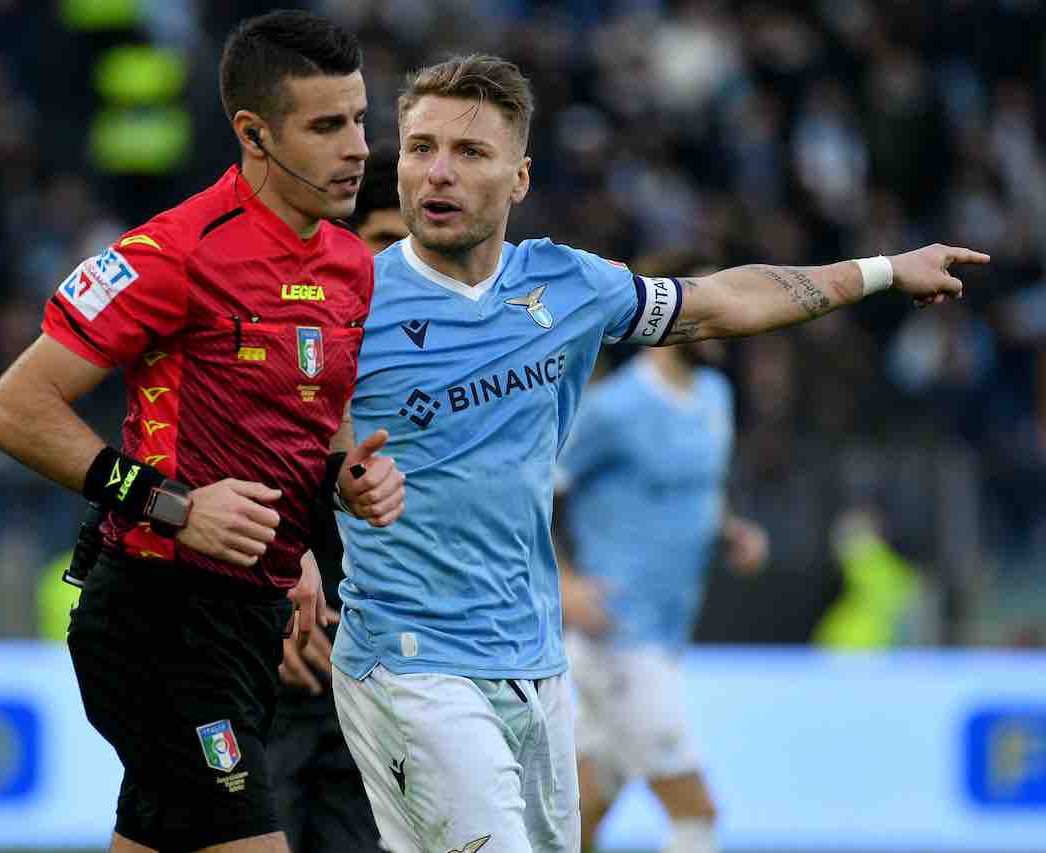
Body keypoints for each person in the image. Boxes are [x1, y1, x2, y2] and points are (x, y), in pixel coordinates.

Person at [328, 53, 990, 853]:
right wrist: (322, 503)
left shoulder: (566, 286)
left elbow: (724, 300)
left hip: (534, 660)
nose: (438, 172)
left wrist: (884, 269)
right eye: (423, 147)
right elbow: (271, 439)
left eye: (470, 153)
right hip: (410, 661)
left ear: (520, 178)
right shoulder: (344, 301)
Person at [0, 12, 405, 853]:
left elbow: (315, 423)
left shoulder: (352, 264)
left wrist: (348, 479)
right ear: (253, 133)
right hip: (157, 615)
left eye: (359, 120)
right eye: (325, 127)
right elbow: (11, 411)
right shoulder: (176, 250)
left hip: (252, 620)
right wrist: (172, 504)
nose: (355, 147)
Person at [553, 251, 769, 853]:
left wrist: (729, 531)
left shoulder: (714, 395)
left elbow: (694, 490)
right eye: (711, 303)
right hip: (619, 636)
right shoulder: (615, 409)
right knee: (696, 813)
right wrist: (562, 582)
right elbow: (539, 491)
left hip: (667, 632)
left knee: (585, 809)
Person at [267, 142, 407, 853]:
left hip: (373, 685)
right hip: (272, 675)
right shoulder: (284, 341)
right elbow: (208, 472)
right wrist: (265, 604)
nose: (396, 266)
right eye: (383, 240)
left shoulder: (441, 362)